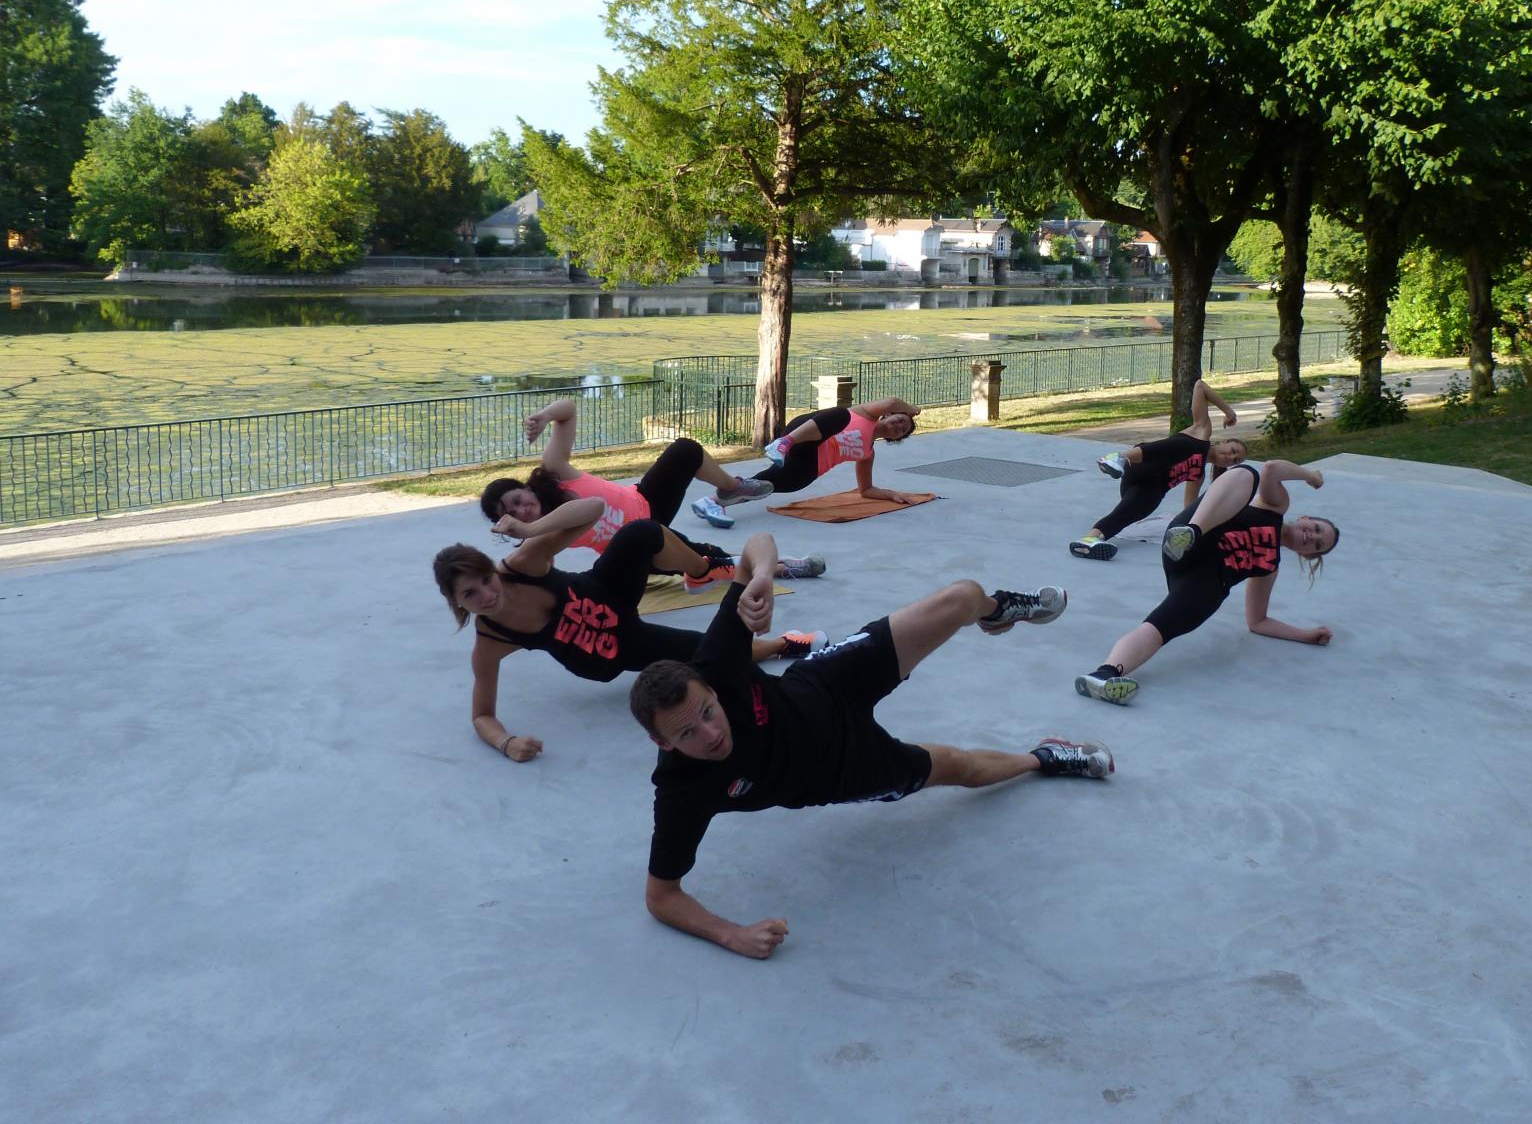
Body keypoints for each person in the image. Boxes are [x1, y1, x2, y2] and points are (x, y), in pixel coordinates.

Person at [629, 535, 1110, 958]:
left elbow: (757, 544)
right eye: (687, 734)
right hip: (843, 771)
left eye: (708, 713)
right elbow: (661, 896)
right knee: (958, 767)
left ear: (710, 690)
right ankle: (1044, 756)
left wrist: (761, 580)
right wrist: (730, 934)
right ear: (661, 742)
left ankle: (996, 610)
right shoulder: (680, 790)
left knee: (962, 596)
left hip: (829, 683)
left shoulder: (714, 661)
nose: (710, 735)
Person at [432, 497, 822, 764]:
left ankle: (704, 568)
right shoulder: (491, 642)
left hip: (604, 591)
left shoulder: (521, 565)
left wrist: (531, 528)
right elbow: (482, 715)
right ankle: (782, 644)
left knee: (641, 533)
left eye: (485, 578)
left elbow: (593, 509)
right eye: (470, 592)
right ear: (457, 603)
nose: (486, 593)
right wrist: (507, 743)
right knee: (712, 652)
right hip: (608, 649)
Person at [1073, 458, 1339, 706]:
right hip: (1198, 536)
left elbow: (1257, 622)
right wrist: (1310, 475)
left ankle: (1102, 675)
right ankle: (1192, 531)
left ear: (1308, 555)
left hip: (1205, 583)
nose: (1310, 537)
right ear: (1305, 518)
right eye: (1316, 529)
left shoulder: (1270, 567)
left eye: (1316, 545)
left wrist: (1306, 636)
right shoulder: (1275, 506)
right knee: (1246, 473)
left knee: (1157, 629)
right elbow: (1271, 469)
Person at [480, 397, 797, 549]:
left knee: (685, 449)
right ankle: (782, 567)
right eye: (511, 513)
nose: (522, 510)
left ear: (527, 488)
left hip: (645, 501)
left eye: (518, 499)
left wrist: (545, 416)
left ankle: (730, 488)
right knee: (706, 559)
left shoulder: (553, 472)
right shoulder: (536, 537)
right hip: (635, 546)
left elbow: (570, 409)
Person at [1071, 378, 1248, 560]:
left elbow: (1189, 509)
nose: (1231, 457)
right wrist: (1228, 411)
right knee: (1189, 447)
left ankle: (1089, 541)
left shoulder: (1198, 476)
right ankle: (1118, 457)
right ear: (1223, 442)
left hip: (1146, 489)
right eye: (1233, 451)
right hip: (1141, 464)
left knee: (1131, 512)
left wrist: (1190, 531)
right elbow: (1200, 386)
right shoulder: (1202, 431)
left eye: (1236, 460)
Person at [694, 395, 922, 522]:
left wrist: (893, 494)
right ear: (890, 414)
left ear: (895, 439)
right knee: (840, 415)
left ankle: (713, 503)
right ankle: (783, 444)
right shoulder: (866, 413)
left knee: (761, 486)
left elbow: (866, 490)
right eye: (901, 419)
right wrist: (915, 410)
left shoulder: (868, 453)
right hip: (803, 436)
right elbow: (892, 401)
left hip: (807, 467)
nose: (899, 426)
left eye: (903, 430)